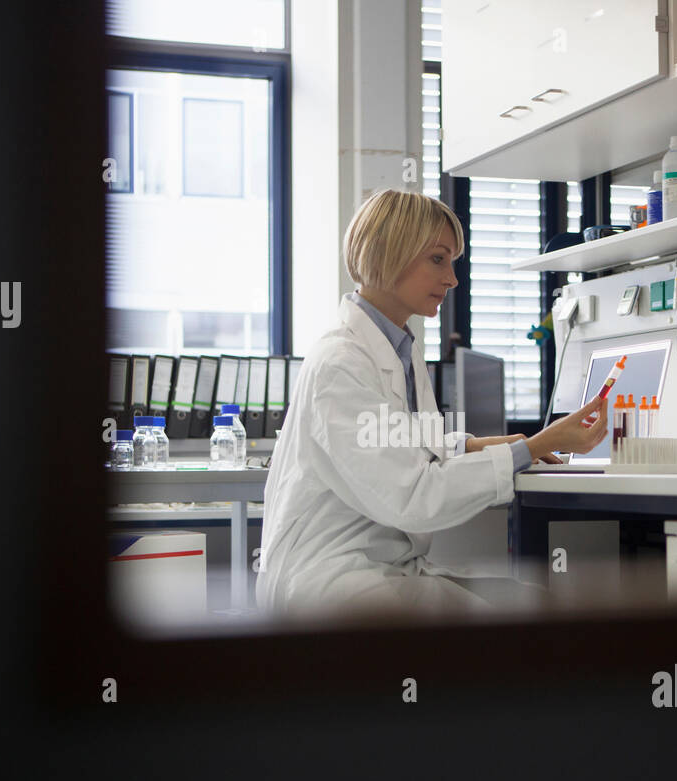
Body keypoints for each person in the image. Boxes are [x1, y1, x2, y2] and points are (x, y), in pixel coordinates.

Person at [256, 188, 607, 616]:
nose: (452, 279)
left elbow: (413, 444)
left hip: (381, 570)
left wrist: (498, 445)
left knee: (534, 599)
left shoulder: (398, 348)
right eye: (438, 259)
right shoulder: (340, 363)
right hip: (332, 584)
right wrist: (527, 449)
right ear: (390, 252)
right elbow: (412, 497)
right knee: (531, 621)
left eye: (452, 262)